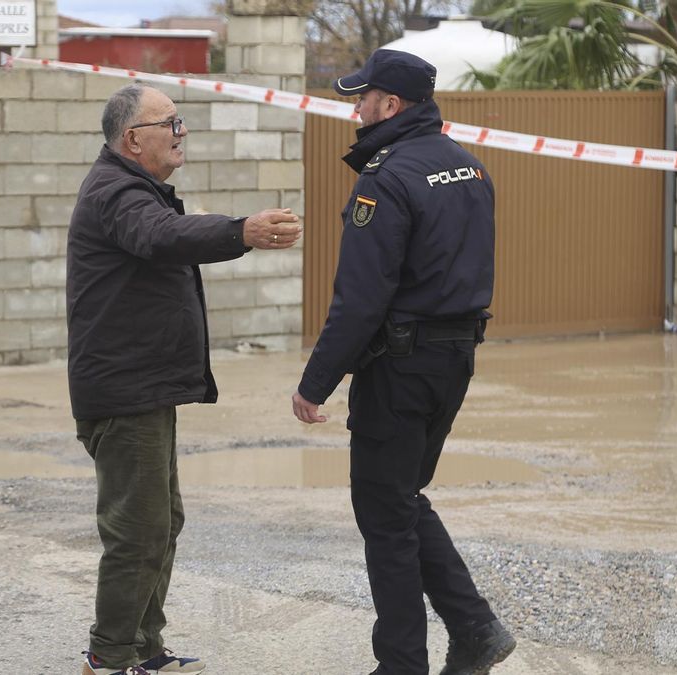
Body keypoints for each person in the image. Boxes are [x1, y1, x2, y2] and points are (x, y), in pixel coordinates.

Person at [290, 49, 515, 675]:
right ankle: (474, 631)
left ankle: (404, 665)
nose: (356, 110)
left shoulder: (384, 178)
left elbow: (361, 300)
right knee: (402, 497)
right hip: (454, 360)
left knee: (385, 516)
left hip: (401, 366)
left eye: (362, 99)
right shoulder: (469, 167)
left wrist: (316, 383)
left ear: (390, 105)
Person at [68, 83, 302, 675]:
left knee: (160, 523)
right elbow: (162, 237)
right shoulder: (117, 192)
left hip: (144, 390)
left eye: (180, 121)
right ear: (133, 138)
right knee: (137, 531)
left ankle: (145, 650)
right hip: (124, 393)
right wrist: (239, 231)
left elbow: (163, 235)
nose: (181, 133)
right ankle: (111, 656)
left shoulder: (136, 189)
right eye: (170, 123)